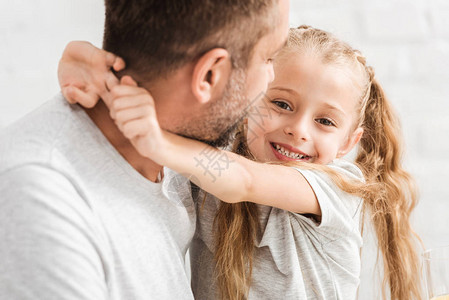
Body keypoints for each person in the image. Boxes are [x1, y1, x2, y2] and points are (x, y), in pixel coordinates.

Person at [60, 26, 423, 300]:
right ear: (251, 97)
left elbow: (243, 181)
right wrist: (87, 65)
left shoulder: (337, 187)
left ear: (348, 142)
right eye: (282, 104)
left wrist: (155, 138)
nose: (298, 130)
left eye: (325, 121)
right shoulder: (209, 161)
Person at [0, 0, 290, 299]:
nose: (270, 79)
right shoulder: (42, 206)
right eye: (268, 58)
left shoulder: (178, 145)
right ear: (208, 76)